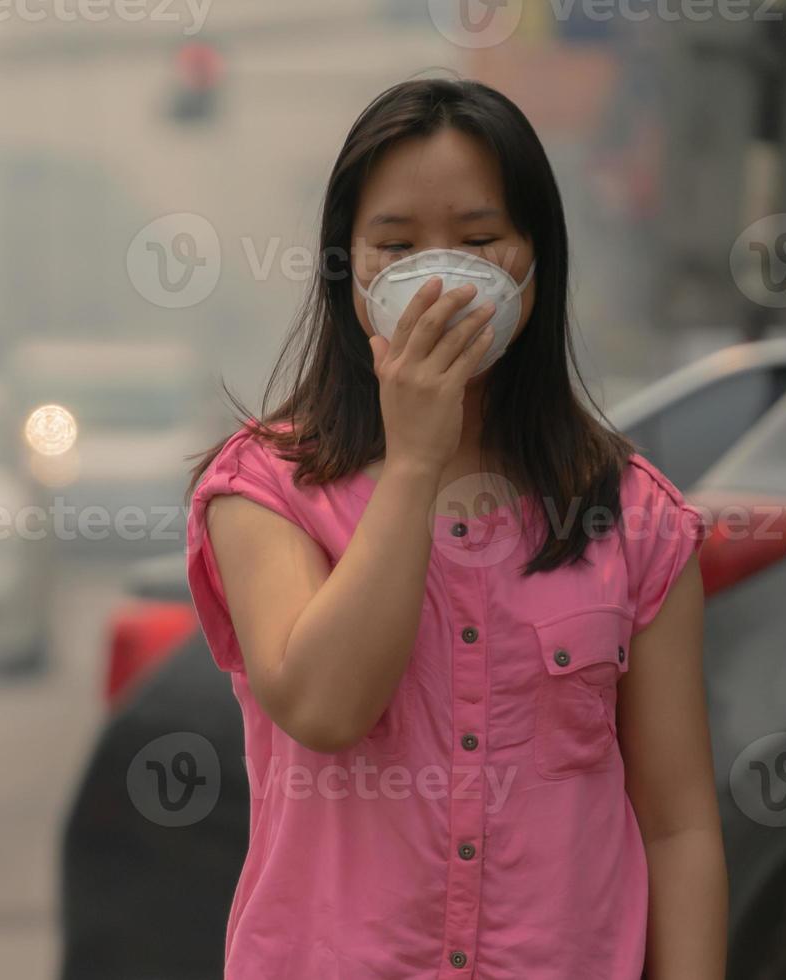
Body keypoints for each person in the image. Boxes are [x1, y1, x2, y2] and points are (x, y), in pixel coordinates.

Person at [186, 78, 725, 978]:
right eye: (396, 246)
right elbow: (323, 707)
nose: (439, 275)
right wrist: (413, 465)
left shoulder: (633, 516)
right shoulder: (265, 488)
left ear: (533, 260)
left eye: (477, 241)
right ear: (348, 273)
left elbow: (677, 826)